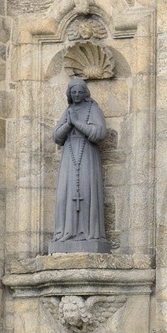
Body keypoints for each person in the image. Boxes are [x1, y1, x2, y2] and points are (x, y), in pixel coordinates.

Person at [51, 77, 110, 253]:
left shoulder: (93, 109)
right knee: (66, 194)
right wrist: (69, 123)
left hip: (88, 156)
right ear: (69, 94)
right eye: (73, 92)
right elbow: (56, 137)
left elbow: (100, 133)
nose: (76, 95)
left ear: (85, 93)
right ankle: (66, 232)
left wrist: (78, 123)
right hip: (69, 156)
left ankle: (90, 233)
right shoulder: (68, 111)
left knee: (86, 190)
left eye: (79, 92)